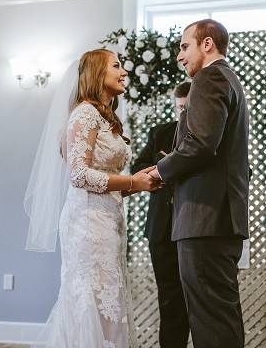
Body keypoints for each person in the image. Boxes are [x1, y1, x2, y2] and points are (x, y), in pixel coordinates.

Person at [26, 49, 161, 348]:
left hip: (108, 219)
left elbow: (105, 178)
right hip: (87, 223)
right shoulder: (85, 113)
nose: (124, 71)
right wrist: (131, 181)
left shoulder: (105, 116)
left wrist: (138, 183)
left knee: (108, 298)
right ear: (97, 73)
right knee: (91, 300)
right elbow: (79, 176)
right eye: (116, 66)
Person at [149, 19, 250, 348]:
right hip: (218, 219)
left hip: (205, 219)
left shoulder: (211, 76)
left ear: (207, 44)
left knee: (211, 323)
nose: (179, 56)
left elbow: (202, 144)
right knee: (220, 316)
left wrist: (161, 170)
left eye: (183, 46)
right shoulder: (229, 78)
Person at [131, 81, 191, 348]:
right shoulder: (160, 133)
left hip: (196, 227)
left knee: (199, 300)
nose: (184, 113)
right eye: (180, 108)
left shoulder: (213, 133)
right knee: (169, 298)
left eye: (189, 108)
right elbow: (139, 166)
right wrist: (163, 167)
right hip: (161, 228)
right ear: (174, 106)